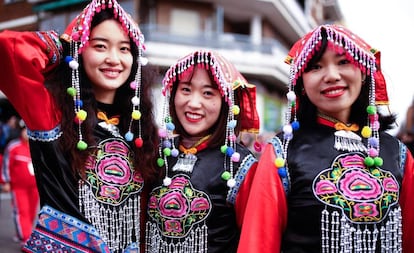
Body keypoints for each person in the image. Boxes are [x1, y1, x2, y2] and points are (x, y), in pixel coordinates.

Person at [237, 24, 414, 252]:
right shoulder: (282, 152)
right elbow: (257, 244)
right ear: (301, 83)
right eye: (316, 66)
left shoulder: (398, 154)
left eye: (343, 62)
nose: (331, 76)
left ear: (363, 72)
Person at [0, 0, 159, 252]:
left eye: (124, 49)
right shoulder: (52, 112)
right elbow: (7, 48)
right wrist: (66, 44)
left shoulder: (142, 131)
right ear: (80, 50)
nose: (114, 59)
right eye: (99, 46)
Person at [145, 50, 260, 253]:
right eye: (186, 90)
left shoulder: (240, 164)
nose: (194, 103)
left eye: (208, 93)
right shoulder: (158, 153)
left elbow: (254, 241)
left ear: (226, 102)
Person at [0, 121, 39, 246]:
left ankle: (21, 233)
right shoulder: (13, 147)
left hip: (35, 187)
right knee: (22, 210)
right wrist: (5, 181)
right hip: (18, 187)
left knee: (32, 212)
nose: (27, 133)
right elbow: (6, 164)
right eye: (24, 129)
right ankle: (26, 237)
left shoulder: (37, 147)